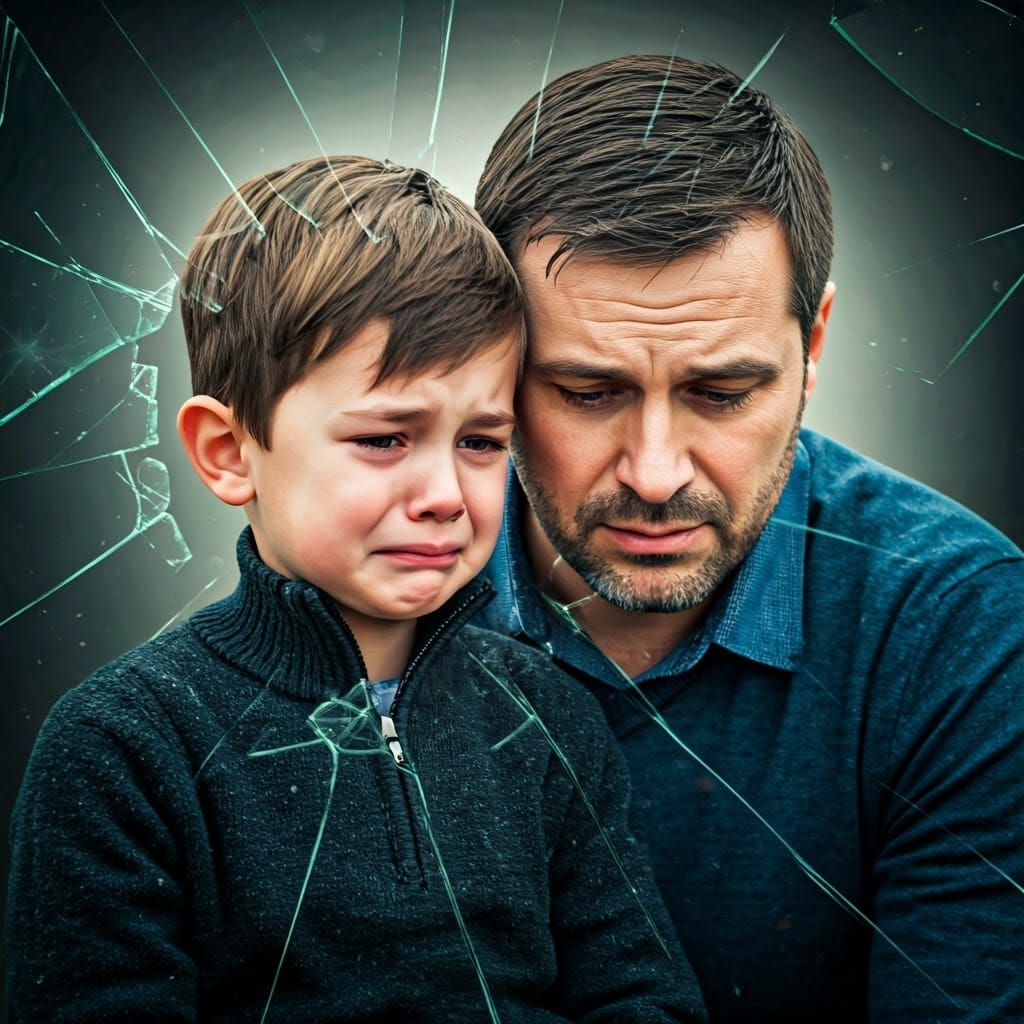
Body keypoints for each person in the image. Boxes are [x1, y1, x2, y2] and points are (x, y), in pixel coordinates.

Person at [6, 155, 707, 1023]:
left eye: (482, 443)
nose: (446, 494)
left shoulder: (549, 720)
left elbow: (642, 997)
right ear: (228, 452)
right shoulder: (124, 748)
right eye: (385, 438)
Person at [474, 54, 1024, 1024]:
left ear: (812, 346)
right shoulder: (358, 600)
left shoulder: (960, 625)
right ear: (494, 360)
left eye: (719, 393)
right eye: (587, 392)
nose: (654, 472)